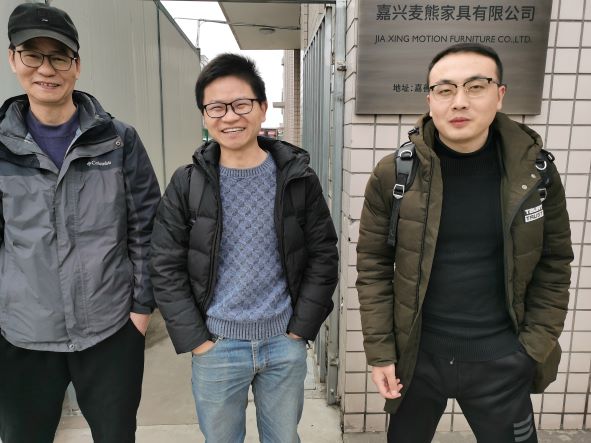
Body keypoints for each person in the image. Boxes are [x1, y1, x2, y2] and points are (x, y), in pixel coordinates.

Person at [356, 43, 573, 443]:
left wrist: (531, 349)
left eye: (475, 87)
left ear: (499, 95)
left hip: (502, 360)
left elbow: (555, 263)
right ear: (430, 100)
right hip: (416, 361)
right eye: (445, 89)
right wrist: (382, 353)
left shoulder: (536, 174)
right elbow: (373, 266)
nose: (459, 101)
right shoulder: (394, 174)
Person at [150, 53, 338, 442]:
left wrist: (300, 330)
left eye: (241, 104)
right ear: (205, 116)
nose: (230, 117)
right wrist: (197, 340)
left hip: (283, 342)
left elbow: (323, 255)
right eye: (216, 107)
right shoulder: (187, 183)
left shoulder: (298, 178)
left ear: (262, 107)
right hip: (216, 345)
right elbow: (165, 264)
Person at [0, 3, 161, 442]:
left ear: (77, 65)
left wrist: (141, 311)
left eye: (59, 57)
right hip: (23, 336)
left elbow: (147, 230)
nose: (45, 69)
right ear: (13, 58)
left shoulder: (118, 140)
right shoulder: (3, 147)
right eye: (33, 54)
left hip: (110, 332)